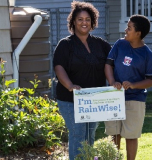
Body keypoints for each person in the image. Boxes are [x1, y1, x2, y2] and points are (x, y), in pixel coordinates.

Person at [52, 1, 111, 160]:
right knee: (78, 134)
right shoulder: (65, 45)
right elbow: (59, 68)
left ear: (93, 22)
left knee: (90, 134)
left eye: (87, 19)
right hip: (70, 99)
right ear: (73, 22)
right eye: (80, 19)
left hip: (94, 99)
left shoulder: (101, 44)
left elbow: (112, 63)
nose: (84, 22)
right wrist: (70, 85)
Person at [104, 14, 152, 160]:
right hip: (114, 97)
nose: (125, 30)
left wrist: (134, 85)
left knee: (131, 135)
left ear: (138, 33)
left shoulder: (147, 55)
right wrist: (112, 81)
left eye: (129, 28)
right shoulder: (120, 44)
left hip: (135, 100)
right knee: (114, 133)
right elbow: (108, 64)